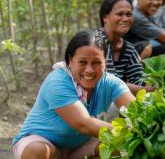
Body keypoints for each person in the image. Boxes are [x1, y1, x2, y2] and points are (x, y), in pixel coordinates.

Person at [12, 30, 136, 159]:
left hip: (79, 147)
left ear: (105, 61)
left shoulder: (110, 82)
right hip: (42, 143)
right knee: (37, 151)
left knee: (119, 149)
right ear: (70, 60)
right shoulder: (57, 81)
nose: (89, 70)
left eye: (96, 63)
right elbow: (83, 123)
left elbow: (136, 109)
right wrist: (129, 133)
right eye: (82, 62)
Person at [95, 0, 154, 95]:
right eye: (120, 14)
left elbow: (140, 80)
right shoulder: (96, 41)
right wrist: (146, 90)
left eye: (129, 14)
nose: (125, 19)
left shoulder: (128, 49)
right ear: (105, 17)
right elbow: (108, 83)